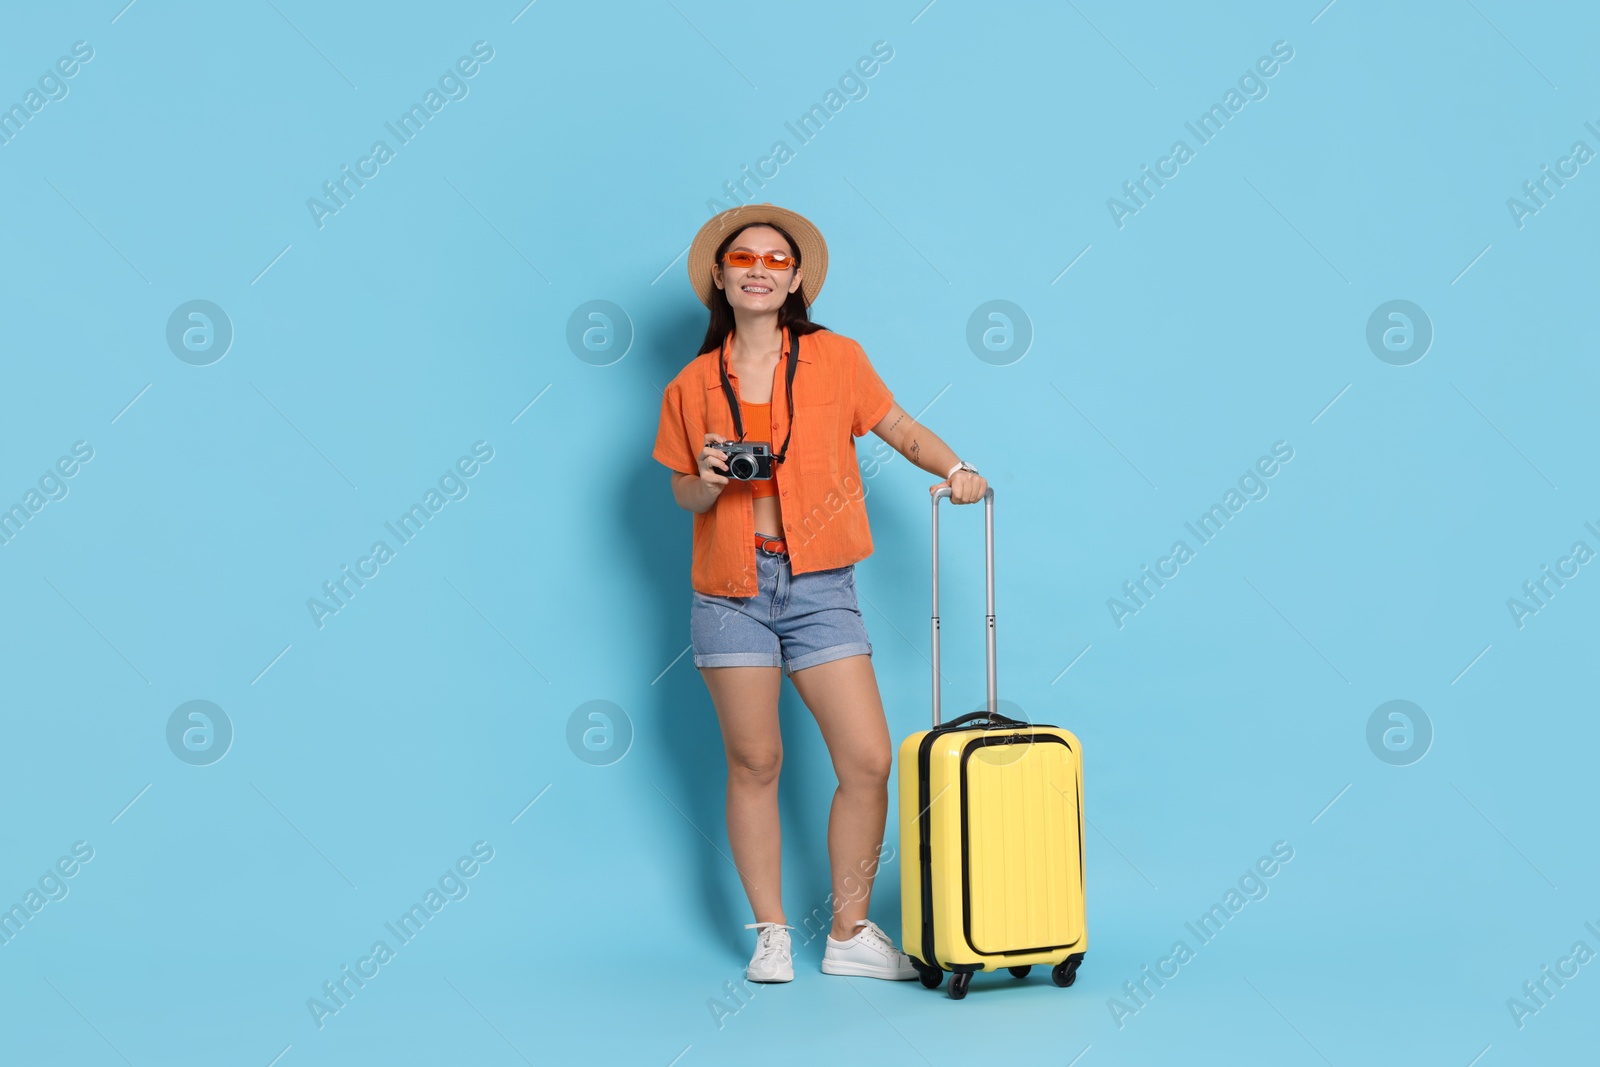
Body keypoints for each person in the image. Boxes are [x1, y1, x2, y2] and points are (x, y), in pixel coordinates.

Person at [652, 203, 987, 984]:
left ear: (796, 277)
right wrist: (703, 482)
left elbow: (897, 425)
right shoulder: (694, 383)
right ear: (721, 277)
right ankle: (771, 931)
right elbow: (681, 495)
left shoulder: (836, 359)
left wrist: (955, 468)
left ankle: (848, 930)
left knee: (868, 758)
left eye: (776, 260)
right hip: (730, 588)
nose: (760, 270)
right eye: (745, 259)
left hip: (819, 583)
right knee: (755, 758)